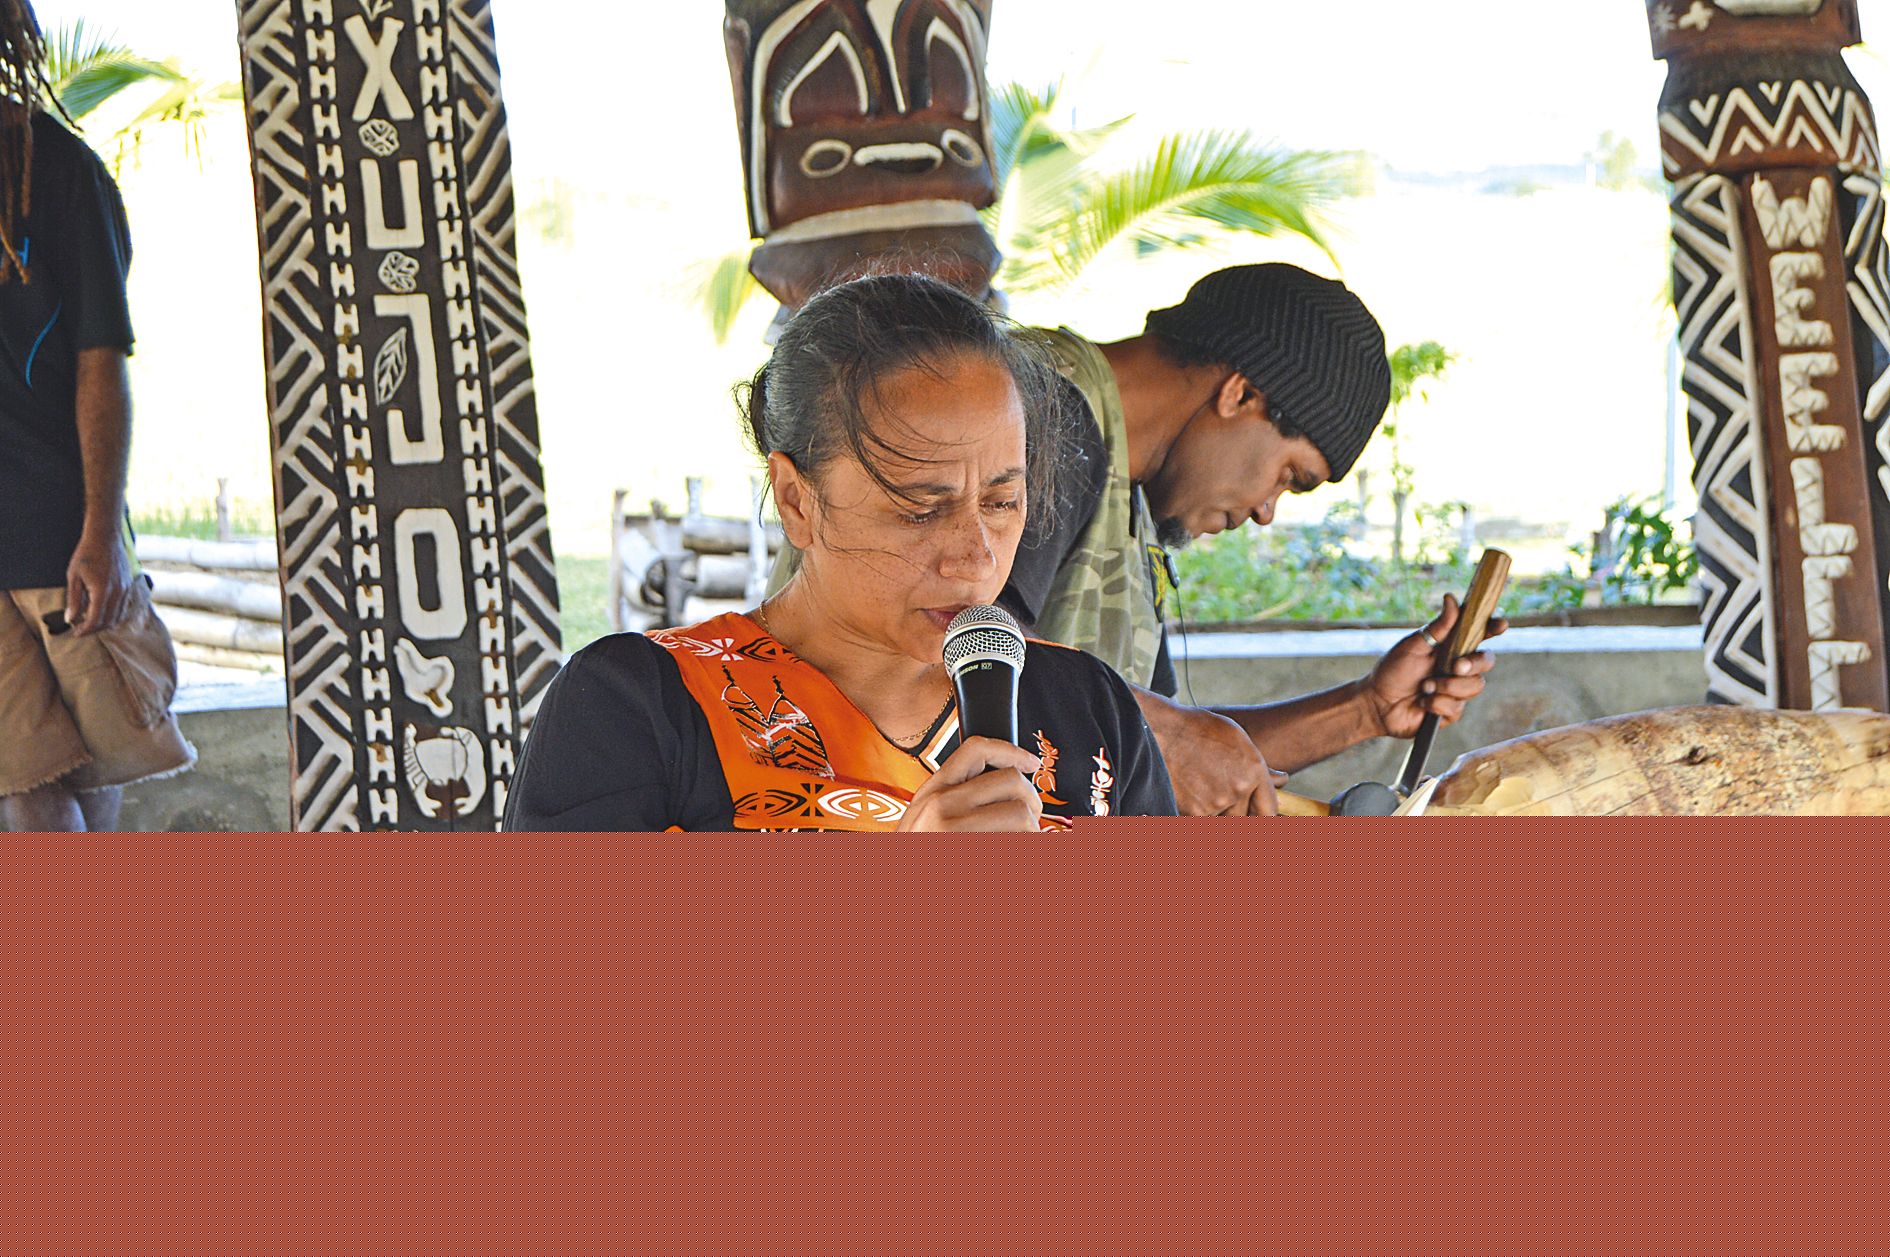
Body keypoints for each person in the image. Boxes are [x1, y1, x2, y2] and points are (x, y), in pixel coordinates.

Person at [774, 262, 1503, 815]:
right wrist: (1167, 731)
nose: (1266, 512)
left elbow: (1134, 749)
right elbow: (951, 656)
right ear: (1240, 393)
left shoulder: (1123, 492)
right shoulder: (1039, 410)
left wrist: (1366, 710)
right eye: (1289, 475)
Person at [506, 274, 1176, 831]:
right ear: (797, 500)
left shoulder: (1087, 709)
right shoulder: (640, 707)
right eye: (919, 509)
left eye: (1002, 502)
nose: (974, 558)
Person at [0, 0, 194, 833]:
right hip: (59, 536)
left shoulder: (60, 175)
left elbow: (100, 363)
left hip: (59, 538)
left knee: (67, 772)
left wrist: (100, 531)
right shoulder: (63, 169)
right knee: (36, 781)